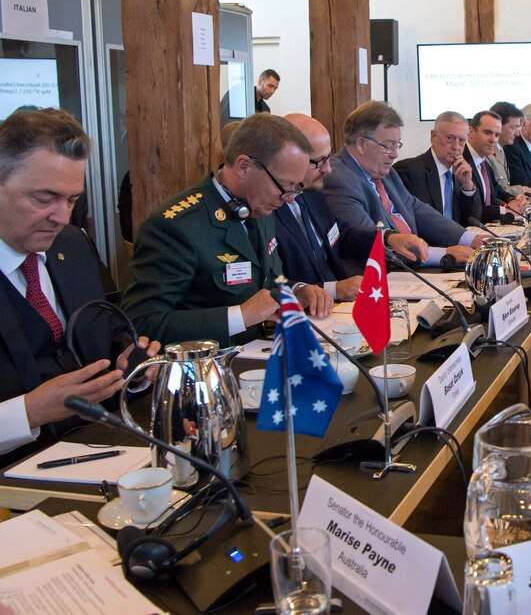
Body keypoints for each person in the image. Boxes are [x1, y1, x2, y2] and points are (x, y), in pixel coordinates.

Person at [0, 109, 158, 465]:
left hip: (105, 450)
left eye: (72, 200)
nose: (62, 217)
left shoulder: (71, 244)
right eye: (44, 199)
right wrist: (28, 413)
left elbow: (106, 326)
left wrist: (131, 363)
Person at [124, 113, 332, 347]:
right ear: (244, 167)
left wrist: (296, 289)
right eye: (285, 187)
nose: (290, 199)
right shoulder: (175, 227)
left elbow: (271, 276)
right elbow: (143, 323)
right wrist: (240, 316)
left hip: (261, 352)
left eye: (296, 188)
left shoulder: (261, 205)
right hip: (209, 367)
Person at [274, 114, 427, 301]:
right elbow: (274, 284)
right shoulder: (269, 205)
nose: (328, 169)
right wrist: (332, 289)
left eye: (328, 158)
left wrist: (388, 238)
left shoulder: (311, 192)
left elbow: (341, 236)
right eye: (319, 161)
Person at [322, 101, 487, 268]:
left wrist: (470, 239)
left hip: (412, 269)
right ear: (361, 144)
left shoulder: (385, 172)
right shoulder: (338, 179)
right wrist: (443, 254)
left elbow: (415, 208)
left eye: (397, 145)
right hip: (382, 277)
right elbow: (373, 241)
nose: (394, 154)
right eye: (388, 146)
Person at [393, 111, 482, 227]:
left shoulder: (461, 173)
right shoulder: (408, 171)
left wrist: (468, 185)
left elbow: (473, 221)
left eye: (461, 141)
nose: (456, 147)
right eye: (450, 138)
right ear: (433, 137)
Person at [465, 110, 528, 222]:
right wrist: (504, 210)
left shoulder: (483, 162)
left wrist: (515, 200)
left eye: (497, 135)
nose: (493, 139)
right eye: (487, 132)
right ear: (471, 131)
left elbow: (497, 192)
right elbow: (471, 210)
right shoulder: (462, 160)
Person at [488, 102, 531, 199]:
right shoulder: (487, 153)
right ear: (498, 126)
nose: (517, 134)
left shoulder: (501, 150)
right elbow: (493, 190)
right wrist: (522, 189)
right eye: (514, 127)